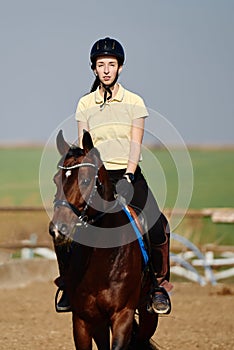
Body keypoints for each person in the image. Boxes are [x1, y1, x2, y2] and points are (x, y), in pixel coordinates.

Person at [55, 37, 172, 314]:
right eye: (101, 65)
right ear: (94, 69)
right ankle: (68, 286)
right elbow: (85, 145)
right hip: (96, 176)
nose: (106, 69)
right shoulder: (85, 103)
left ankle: (158, 286)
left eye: (111, 64)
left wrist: (129, 175)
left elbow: (135, 142)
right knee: (63, 224)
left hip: (127, 173)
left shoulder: (134, 102)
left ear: (120, 67)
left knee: (158, 225)